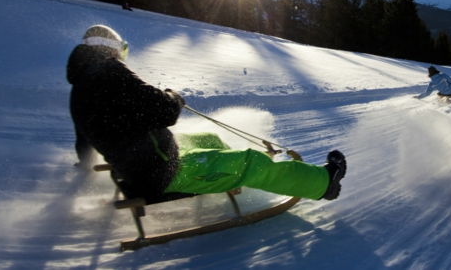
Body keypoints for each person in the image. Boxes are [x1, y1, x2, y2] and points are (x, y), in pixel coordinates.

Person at [67, 24, 346, 202]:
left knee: (209, 138)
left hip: (144, 163)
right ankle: (324, 183)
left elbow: (85, 144)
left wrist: (86, 167)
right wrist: (173, 97)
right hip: (163, 172)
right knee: (252, 162)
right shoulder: (113, 73)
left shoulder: (79, 90)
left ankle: (224, 172)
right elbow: (165, 112)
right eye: (121, 51)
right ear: (112, 50)